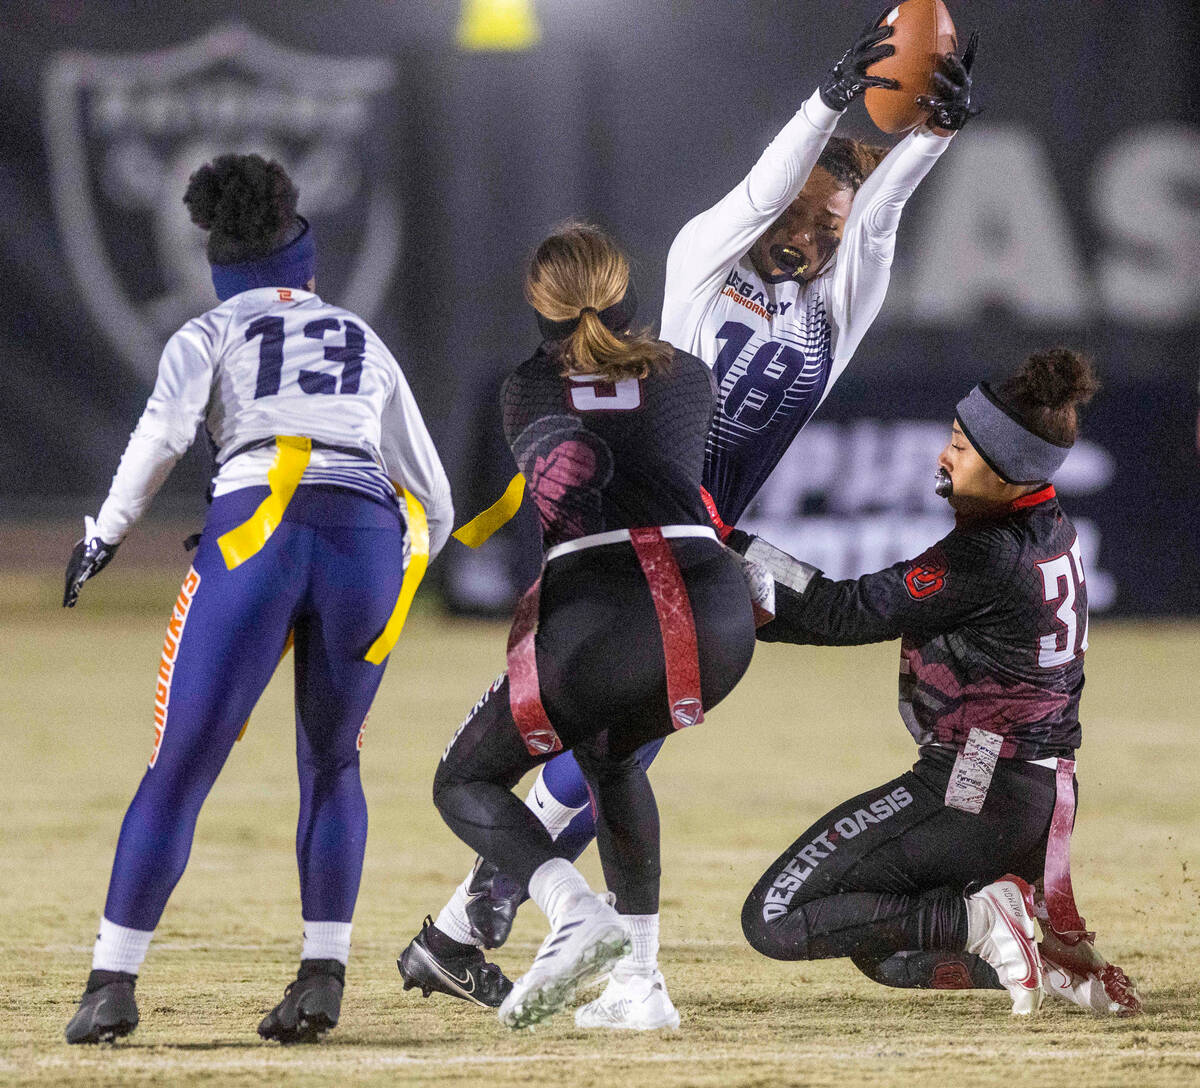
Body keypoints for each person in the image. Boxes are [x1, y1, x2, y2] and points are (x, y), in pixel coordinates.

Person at [410, 6, 981, 1025]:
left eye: (828, 227)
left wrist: (932, 136)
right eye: (802, 218)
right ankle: (471, 928)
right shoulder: (702, 265)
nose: (812, 237)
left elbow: (881, 224)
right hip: (640, 541)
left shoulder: (833, 309)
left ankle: (471, 926)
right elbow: (763, 191)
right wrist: (826, 103)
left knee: (608, 755)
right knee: (599, 753)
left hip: (705, 551)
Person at [62, 154, 453, 1045]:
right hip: (364, 544)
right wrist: (400, 581)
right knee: (334, 763)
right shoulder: (361, 336)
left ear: (222, 267)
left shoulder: (206, 334)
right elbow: (436, 499)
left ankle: (111, 986)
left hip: (256, 531)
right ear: (304, 265)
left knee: (180, 769)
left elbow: (161, 435)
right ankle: (322, 977)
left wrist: (105, 534)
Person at [401, 224, 756, 1030]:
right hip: (717, 616)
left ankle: (573, 911)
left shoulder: (521, 388)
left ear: (541, 305)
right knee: (615, 760)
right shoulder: (690, 378)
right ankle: (640, 983)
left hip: (604, 618)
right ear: (624, 290)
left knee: (463, 779)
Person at [733, 349, 1140, 1016]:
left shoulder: (988, 556)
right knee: (888, 946)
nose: (943, 459)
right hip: (1031, 792)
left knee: (776, 916)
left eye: (960, 446)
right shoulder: (1047, 527)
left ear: (1009, 466)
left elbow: (841, 607)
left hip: (977, 782)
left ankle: (987, 920)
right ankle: (1041, 966)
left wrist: (735, 548)